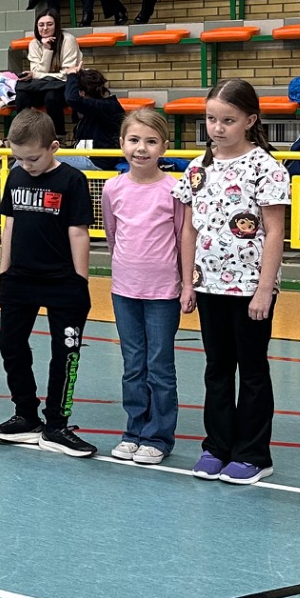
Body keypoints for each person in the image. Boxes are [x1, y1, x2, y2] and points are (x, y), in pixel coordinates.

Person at [176, 78, 291, 485]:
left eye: (228, 120)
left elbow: (274, 232)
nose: (217, 128)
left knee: (253, 369)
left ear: (250, 121)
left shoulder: (267, 168)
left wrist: (265, 289)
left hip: (249, 289)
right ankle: (217, 447)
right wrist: (187, 283)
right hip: (208, 285)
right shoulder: (197, 168)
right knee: (217, 368)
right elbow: (189, 229)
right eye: (211, 119)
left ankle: (253, 454)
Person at [0, 107, 95, 457]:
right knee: (11, 345)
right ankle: (26, 415)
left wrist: (80, 281)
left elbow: (78, 232)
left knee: (65, 353)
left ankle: (56, 424)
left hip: (63, 281)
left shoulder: (72, 181)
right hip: (19, 279)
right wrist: (4, 272)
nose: (26, 165)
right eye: (19, 158)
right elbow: (9, 225)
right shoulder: (16, 176)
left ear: (53, 147)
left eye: (32, 158)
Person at [101, 109, 186, 464]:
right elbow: (112, 234)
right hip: (124, 290)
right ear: (122, 143)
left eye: (151, 142)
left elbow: (182, 238)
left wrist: (186, 285)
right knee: (133, 364)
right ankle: (134, 430)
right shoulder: (113, 188)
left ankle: (159, 436)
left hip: (163, 292)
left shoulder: (175, 189)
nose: (141, 148)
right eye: (134, 140)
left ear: (164, 147)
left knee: (159, 366)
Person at [18, 11, 80, 137]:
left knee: (51, 97)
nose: (45, 28)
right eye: (41, 25)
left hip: (64, 87)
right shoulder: (34, 44)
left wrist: (36, 75)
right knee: (22, 96)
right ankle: (23, 135)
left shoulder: (68, 40)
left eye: (49, 24)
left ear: (56, 25)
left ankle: (58, 136)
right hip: (43, 87)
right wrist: (47, 50)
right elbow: (38, 71)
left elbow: (67, 73)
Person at [64, 68, 126, 161]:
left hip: (99, 161)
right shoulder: (95, 109)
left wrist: (72, 74)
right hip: (87, 157)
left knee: (50, 161)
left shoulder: (107, 107)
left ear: (82, 93)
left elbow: (72, 99)